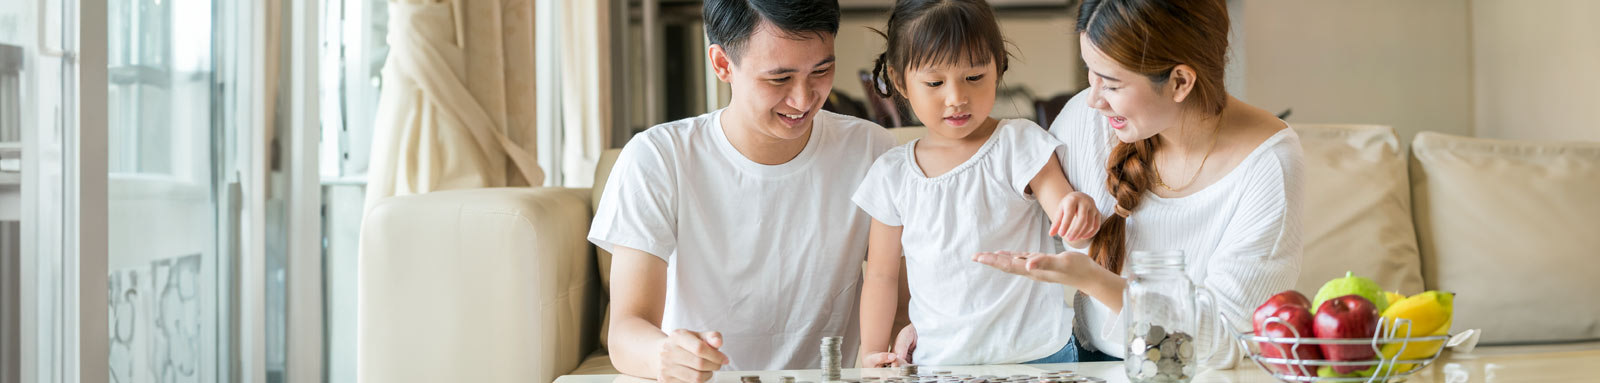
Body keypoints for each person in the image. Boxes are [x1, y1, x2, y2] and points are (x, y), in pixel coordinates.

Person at [970, 0, 1305, 369]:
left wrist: (1096, 281)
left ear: (1180, 81)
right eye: (1089, 72)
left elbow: (1224, 342)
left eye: (1111, 84)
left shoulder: (1267, 165)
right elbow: (995, 230)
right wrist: (914, 321)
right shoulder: (1086, 119)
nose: (1094, 99)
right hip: (1086, 365)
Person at [587, 0, 897, 381]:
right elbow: (626, 330)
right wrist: (662, 354)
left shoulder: (872, 152)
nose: (803, 100)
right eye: (779, 79)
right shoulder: (659, 157)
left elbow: (906, 294)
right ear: (721, 64)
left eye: (822, 70)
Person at [852, 0, 1103, 368]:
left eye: (974, 77)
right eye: (935, 82)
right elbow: (880, 275)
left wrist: (1079, 213)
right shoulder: (892, 173)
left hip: (1037, 358)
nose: (956, 98)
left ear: (998, 65)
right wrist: (873, 355)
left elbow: (1072, 231)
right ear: (899, 80)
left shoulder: (1020, 144)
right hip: (938, 363)